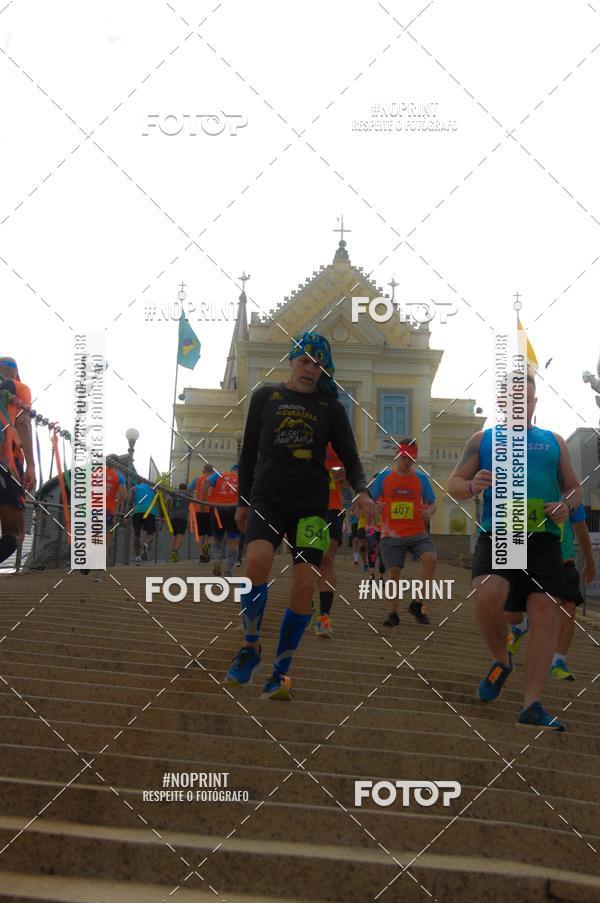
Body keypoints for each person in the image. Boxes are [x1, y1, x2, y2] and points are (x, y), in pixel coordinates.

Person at [227, 332, 377, 699]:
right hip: (268, 498)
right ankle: (250, 645)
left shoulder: (331, 407)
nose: (311, 370)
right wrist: (242, 502)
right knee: (256, 563)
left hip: (310, 506)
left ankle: (280, 673)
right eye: (306, 361)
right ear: (292, 360)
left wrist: (362, 491)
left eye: (319, 364)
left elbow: (351, 457)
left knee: (304, 583)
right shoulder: (265, 396)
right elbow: (247, 455)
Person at [448, 371, 582, 730]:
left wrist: (566, 506)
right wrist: (473, 485)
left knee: (545, 614)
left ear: (535, 403)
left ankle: (532, 704)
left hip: (542, 538)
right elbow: (454, 485)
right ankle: (501, 659)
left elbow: (573, 488)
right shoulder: (484, 439)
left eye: (528, 398)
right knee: (488, 595)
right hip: (501, 534)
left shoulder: (554, 441)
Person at [506, 504, 596, 681]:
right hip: (529, 559)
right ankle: (521, 626)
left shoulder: (570, 494)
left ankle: (559, 661)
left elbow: (580, 528)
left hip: (564, 561)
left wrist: (590, 562)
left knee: (568, 608)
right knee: (511, 613)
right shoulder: (525, 486)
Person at [370, 439, 437, 627]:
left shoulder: (421, 479)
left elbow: (433, 503)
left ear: (414, 458)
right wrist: (376, 506)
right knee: (394, 573)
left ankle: (417, 603)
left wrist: (428, 512)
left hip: (417, 532)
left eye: (410, 458)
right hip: (391, 534)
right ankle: (393, 614)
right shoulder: (384, 477)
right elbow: (369, 501)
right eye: (403, 457)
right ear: (397, 456)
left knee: (431, 559)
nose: (406, 461)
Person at [0, 358, 36, 567]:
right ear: (16, 373)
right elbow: (23, 422)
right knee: (15, 533)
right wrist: (31, 464)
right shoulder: (19, 388)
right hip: (7, 460)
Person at [314, 444, 346, 639]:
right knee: (307, 562)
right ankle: (305, 600)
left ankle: (324, 617)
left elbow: (347, 478)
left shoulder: (338, 442)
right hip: (306, 507)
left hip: (332, 508)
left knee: (327, 559)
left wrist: (341, 473)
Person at [202, 464, 240, 577]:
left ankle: (217, 559)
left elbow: (205, 483)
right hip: (234, 509)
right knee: (233, 541)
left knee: (217, 539)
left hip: (218, 509)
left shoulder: (220, 475)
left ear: (231, 470)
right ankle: (228, 570)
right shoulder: (242, 478)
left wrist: (204, 500)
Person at [129, 480, 160, 565]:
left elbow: (130, 501)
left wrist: (126, 515)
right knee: (150, 535)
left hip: (137, 512)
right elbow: (158, 501)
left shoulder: (134, 488)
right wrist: (159, 514)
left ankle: (137, 558)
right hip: (149, 512)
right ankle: (145, 545)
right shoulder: (152, 489)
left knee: (136, 535)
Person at [188, 464, 214, 562]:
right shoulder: (214, 479)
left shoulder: (197, 479)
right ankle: (209, 546)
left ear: (203, 471)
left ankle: (201, 555)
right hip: (212, 508)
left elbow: (189, 489)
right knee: (211, 534)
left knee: (200, 534)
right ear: (212, 471)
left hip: (199, 508)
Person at [168, 483, 191, 562]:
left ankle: (172, 552)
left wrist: (169, 509)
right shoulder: (188, 494)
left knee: (174, 535)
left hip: (173, 516)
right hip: (183, 516)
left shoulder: (174, 493)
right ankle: (175, 551)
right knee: (180, 535)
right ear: (186, 488)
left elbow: (168, 500)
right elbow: (193, 505)